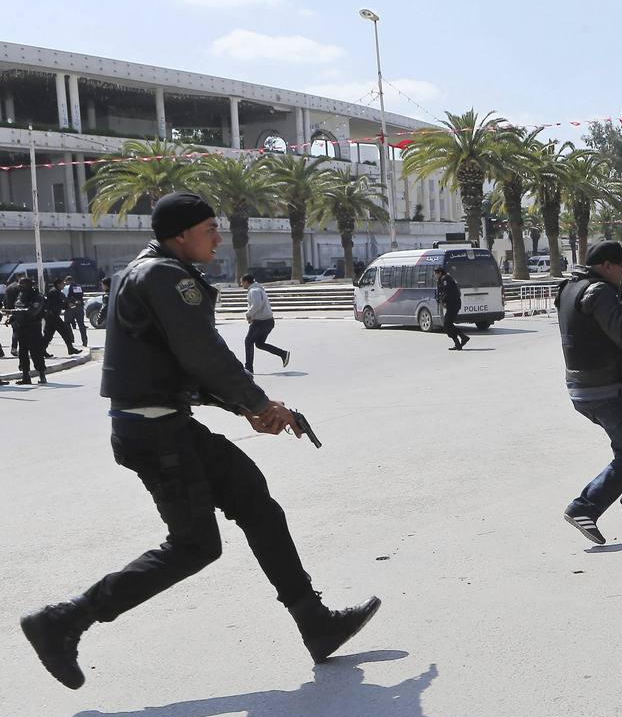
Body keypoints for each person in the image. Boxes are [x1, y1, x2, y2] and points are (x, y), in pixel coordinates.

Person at [19, 192, 380, 690]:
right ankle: (65, 620)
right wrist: (258, 404)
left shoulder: (143, 272)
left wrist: (248, 409)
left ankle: (314, 623)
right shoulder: (165, 276)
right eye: (210, 228)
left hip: (164, 423)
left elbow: (175, 365)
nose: (217, 237)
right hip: (156, 432)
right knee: (195, 546)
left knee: (255, 500)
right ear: (181, 235)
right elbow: (201, 353)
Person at [557, 240, 622, 545]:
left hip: (581, 389)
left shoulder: (569, 288)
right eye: (621, 268)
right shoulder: (600, 291)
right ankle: (584, 507)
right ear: (606, 266)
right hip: (605, 390)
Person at [242, 273, 290, 374]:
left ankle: (249, 368)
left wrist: (249, 314)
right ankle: (283, 354)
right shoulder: (259, 288)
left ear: (246, 282)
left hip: (261, 322)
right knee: (259, 344)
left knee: (248, 342)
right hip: (268, 321)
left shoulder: (254, 290)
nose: (241, 284)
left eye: (242, 282)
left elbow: (257, 304)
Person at [5, 276, 48, 385]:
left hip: (33, 328)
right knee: (23, 353)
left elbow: (32, 311)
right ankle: (26, 377)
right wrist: (11, 317)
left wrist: (18, 313)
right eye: (19, 284)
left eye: (22, 284)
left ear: (28, 285)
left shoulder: (37, 296)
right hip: (21, 328)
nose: (19, 286)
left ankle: (42, 375)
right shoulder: (20, 295)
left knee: (36, 352)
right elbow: (18, 309)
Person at [41, 274, 81, 357]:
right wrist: (66, 305)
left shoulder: (56, 291)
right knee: (65, 331)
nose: (64, 284)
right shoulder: (54, 292)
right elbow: (56, 304)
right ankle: (70, 349)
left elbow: (61, 303)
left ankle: (42, 351)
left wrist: (68, 305)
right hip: (53, 316)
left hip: (51, 316)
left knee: (48, 335)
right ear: (58, 284)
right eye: (63, 283)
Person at [434, 265, 470, 350]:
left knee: (447, 324)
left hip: (454, 304)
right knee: (448, 324)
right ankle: (460, 341)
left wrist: (443, 301)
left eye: (435, 274)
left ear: (439, 273)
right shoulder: (441, 280)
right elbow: (440, 293)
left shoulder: (445, 279)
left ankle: (462, 338)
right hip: (451, 305)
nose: (435, 275)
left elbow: (448, 293)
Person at [63, 275, 88, 348]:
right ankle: (85, 341)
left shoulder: (67, 287)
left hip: (71, 307)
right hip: (79, 307)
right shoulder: (78, 286)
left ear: (68, 281)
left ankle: (71, 338)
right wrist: (78, 301)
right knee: (81, 325)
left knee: (66, 322)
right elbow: (80, 296)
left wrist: (73, 301)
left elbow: (68, 297)